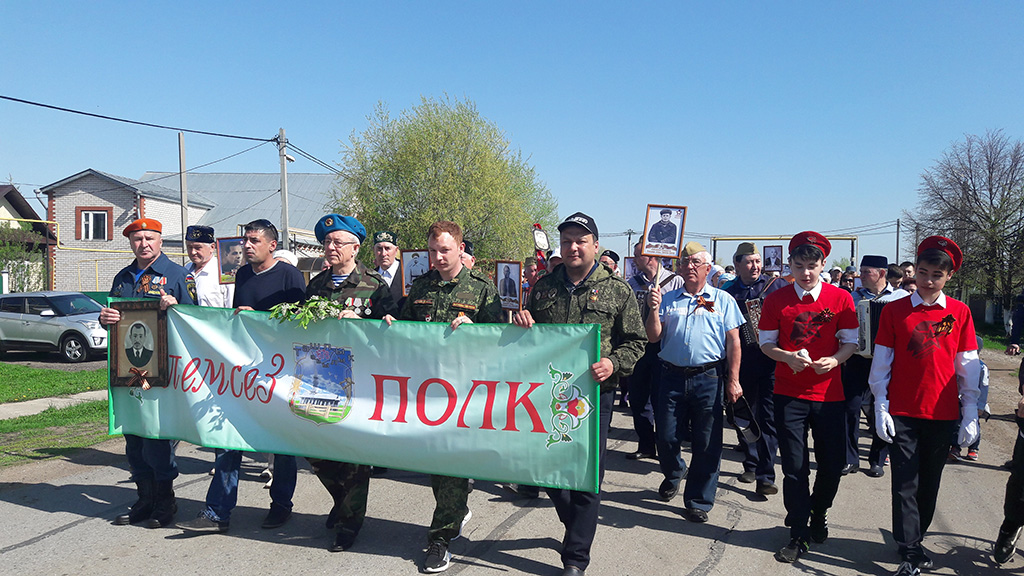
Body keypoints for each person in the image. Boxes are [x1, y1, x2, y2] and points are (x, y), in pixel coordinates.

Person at [512, 211, 646, 576]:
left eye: (581, 241)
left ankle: (575, 558)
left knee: (586, 475)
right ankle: (578, 525)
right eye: (567, 241)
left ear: (595, 246)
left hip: (594, 396)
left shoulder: (618, 289)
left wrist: (613, 364)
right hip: (547, 393)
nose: (573, 247)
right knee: (547, 470)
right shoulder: (543, 287)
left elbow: (637, 341)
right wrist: (522, 323)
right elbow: (529, 339)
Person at [386, 220, 501, 573]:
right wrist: (393, 325)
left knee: (451, 464)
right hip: (427, 392)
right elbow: (406, 327)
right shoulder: (421, 285)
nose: (437, 257)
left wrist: (475, 331)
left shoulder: (482, 289)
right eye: (433, 250)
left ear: (461, 249)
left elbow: (499, 340)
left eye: (445, 250)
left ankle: (440, 539)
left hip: (465, 392)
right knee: (437, 464)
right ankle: (456, 509)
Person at [178, 219, 306, 535]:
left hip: (280, 373)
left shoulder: (289, 276)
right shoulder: (243, 274)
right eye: (245, 240)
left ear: (272, 245)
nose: (247, 246)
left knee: (281, 444)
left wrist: (262, 319)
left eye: (254, 240)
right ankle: (217, 511)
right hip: (245, 371)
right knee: (228, 438)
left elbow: (300, 323)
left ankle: (281, 505)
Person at [867, 236, 981, 576]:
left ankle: (914, 539)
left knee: (929, 483)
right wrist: (880, 404)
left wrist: (971, 410)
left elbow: (968, 363)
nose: (928, 281)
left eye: (936, 275)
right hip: (903, 410)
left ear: (949, 277)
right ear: (913, 272)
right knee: (905, 482)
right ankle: (909, 546)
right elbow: (882, 361)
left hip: (942, 412)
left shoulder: (959, 312)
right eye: (923, 273)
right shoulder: (895, 310)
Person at [758, 231, 858, 563]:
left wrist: (836, 359)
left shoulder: (841, 298)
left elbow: (851, 342)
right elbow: (766, 344)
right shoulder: (777, 299)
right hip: (789, 394)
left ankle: (819, 511)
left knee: (832, 464)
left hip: (830, 394)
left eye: (812, 266)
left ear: (823, 265)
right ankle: (798, 532)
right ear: (790, 264)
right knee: (795, 467)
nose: (805, 273)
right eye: (799, 266)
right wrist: (786, 356)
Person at [303, 213, 397, 552]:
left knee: (354, 458)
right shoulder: (316, 285)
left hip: (360, 383)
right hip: (321, 379)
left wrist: (363, 322)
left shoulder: (375, 285)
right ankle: (342, 502)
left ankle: (350, 523)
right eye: (327, 242)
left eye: (338, 242)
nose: (331, 247)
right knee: (316, 452)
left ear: (355, 248)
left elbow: (394, 331)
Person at [99, 217, 197, 529]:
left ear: (160, 241)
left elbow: (198, 321)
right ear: (131, 243)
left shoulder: (178, 275)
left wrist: (178, 307)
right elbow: (116, 317)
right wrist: (105, 318)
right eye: (137, 239)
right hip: (129, 368)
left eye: (149, 238)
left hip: (163, 371)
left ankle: (165, 501)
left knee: (156, 435)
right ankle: (144, 498)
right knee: (134, 435)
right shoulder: (123, 277)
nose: (144, 244)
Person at [645, 241, 743, 523]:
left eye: (695, 262)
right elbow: (653, 337)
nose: (689, 267)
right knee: (665, 436)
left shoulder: (723, 300)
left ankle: (698, 500)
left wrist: (734, 380)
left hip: (708, 377)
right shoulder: (667, 298)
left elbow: (734, 342)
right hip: (671, 376)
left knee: (707, 441)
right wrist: (653, 309)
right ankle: (675, 470)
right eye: (685, 262)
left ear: (708, 268)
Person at [722, 242, 788, 496]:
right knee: (745, 413)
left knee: (769, 417)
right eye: (749, 262)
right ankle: (750, 462)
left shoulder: (777, 286)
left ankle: (766, 474)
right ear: (737, 264)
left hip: (772, 361)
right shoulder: (727, 291)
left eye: (758, 261)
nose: (755, 266)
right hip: (742, 362)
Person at [842, 256, 909, 478]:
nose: (860, 276)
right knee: (850, 408)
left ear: (881, 273)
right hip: (857, 359)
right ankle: (850, 458)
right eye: (860, 271)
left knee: (882, 408)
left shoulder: (901, 298)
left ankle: (877, 459)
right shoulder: (853, 297)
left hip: (888, 360)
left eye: (866, 271)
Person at [624, 240, 685, 461]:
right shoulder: (632, 283)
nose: (634, 259)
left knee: (663, 399)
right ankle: (646, 444)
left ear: (650, 255)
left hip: (664, 345)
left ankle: (666, 447)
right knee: (638, 398)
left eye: (637, 255)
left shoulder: (675, 281)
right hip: (639, 346)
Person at [185, 225, 234, 309]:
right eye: (189, 247)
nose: (193, 252)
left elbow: (231, 307)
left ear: (212, 247)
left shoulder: (223, 272)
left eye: (198, 248)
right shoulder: (186, 269)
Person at [373, 230, 402, 304]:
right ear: (374, 250)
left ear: (396, 250)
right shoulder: (370, 277)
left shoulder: (406, 273)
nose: (383, 254)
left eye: (387, 248)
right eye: (379, 249)